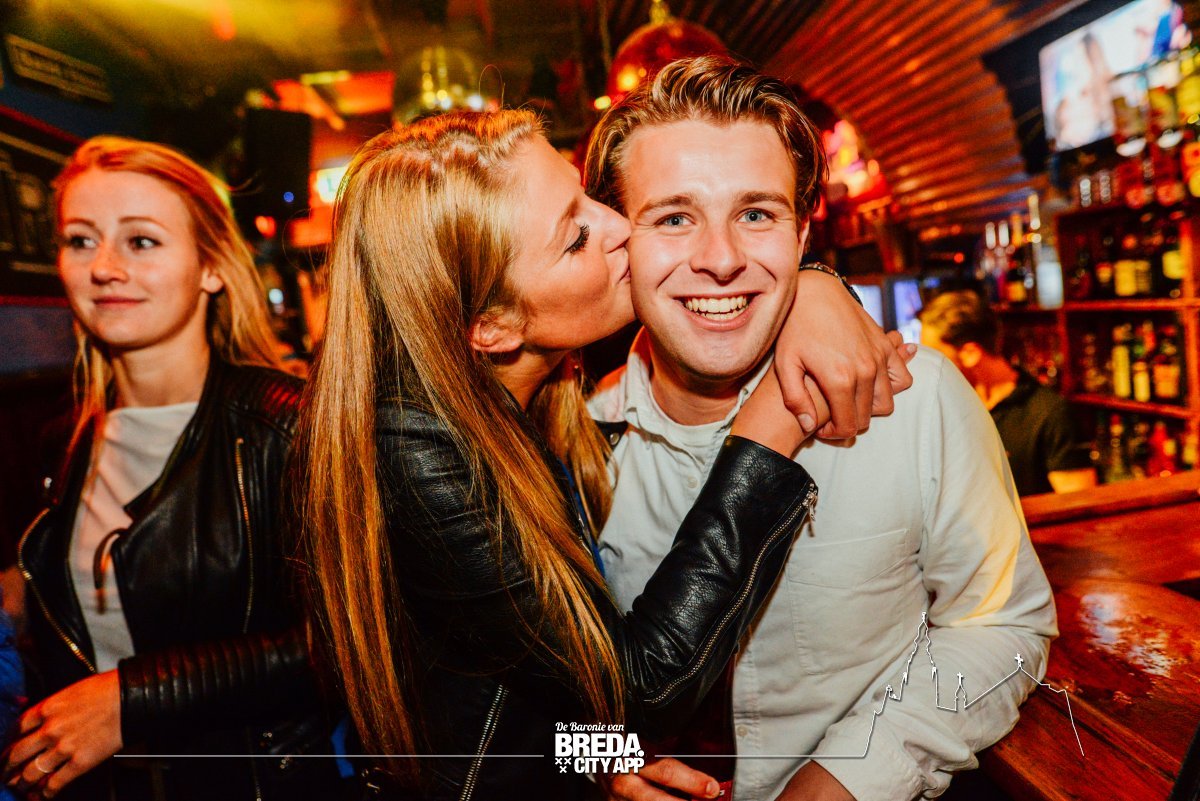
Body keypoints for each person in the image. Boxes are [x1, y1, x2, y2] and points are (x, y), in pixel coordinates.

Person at [295, 109, 913, 801]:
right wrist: (768, 431)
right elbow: (638, 691)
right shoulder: (418, 452)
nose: (620, 226)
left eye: (586, 198)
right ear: (492, 327)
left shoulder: (518, 403)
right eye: (577, 237)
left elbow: (525, 697)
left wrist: (601, 762)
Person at [584, 57, 1058, 801]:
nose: (721, 259)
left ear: (802, 234)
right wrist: (597, 766)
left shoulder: (916, 398)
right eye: (674, 217)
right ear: (618, 244)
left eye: (756, 214)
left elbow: (1005, 628)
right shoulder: (572, 445)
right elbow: (533, 718)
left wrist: (849, 776)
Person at [7, 137, 340, 801]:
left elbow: (343, 646)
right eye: (80, 240)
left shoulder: (286, 425)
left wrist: (129, 702)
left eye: (141, 241)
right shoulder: (63, 443)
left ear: (211, 265)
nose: (104, 268)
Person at [919, 290, 1097, 495]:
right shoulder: (948, 407)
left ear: (971, 353)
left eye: (933, 356)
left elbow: (1078, 503)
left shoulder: (1050, 414)